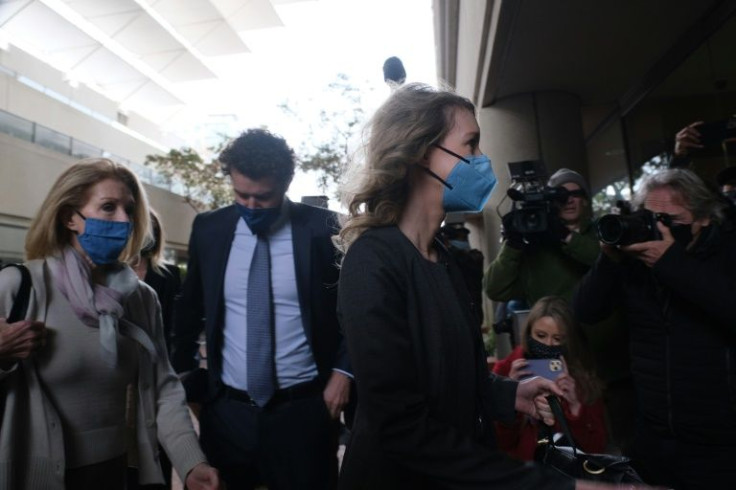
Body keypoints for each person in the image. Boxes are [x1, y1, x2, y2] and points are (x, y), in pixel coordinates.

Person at [335, 82, 633, 490]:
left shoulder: (444, 258)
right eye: (471, 145)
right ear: (421, 153)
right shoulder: (373, 261)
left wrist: (508, 395)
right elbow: (401, 426)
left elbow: (455, 377)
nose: (482, 160)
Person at [0, 158, 219, 490]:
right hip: (35, 474)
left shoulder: (139, 298)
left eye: (129, 210)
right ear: (69, 218)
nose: (124, 220)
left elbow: (162, 387)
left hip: (116, 473)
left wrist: (191, 462)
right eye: (108, 207)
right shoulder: (20, 287)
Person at [171, 128, 351, 490]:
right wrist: (188, 381)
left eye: (263, 197)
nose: (250, 206)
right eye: (241, 195)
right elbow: (188, 312)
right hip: (227, 413)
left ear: (285, 183)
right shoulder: (209, 229)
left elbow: (354, 310)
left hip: (304, 410)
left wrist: (344, 372)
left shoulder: (323, 229)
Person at [573, 168, 736, 488]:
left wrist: (672, 263)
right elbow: (585, 310)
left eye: (668, 219)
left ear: (703, 219)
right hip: (653, 438)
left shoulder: (726, 254)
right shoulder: (634, 263)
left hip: (720, 443)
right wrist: (609, 259)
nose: (656, 228)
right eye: (649, 217)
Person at [484, 167, 635, 455]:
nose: (568, 200)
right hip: (555, 374)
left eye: (574, 193)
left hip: (611, 370)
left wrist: (566, 238)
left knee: (621, 453)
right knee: (565, 451)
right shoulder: (536, 246)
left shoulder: (604, 232)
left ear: (586, 199)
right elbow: (495, 289)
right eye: (560, 195)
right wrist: (514, 244)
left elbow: (614, 263)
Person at [492, 296, 607, 461]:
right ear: (529, 333)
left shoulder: (581, 378)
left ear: (568, 340)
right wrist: (510, 396)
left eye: (558, 338)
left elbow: (596, 450)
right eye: (541, 335)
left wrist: (575, 407)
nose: (548, 344)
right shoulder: (507, 370)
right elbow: (501, 444)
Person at [129, 209, 183, 490]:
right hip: (126, 373)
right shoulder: (113, 274)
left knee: (161, 447)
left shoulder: (168, 274)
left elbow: (174, 320)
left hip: (161, 362)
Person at [437, 222, 484, 327]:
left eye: (464, 238)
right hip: (455, 317)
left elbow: (464, 259)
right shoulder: (446, 260)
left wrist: (448, 247)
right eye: (459, 238)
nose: (463, 242)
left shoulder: (474, 257)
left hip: (472, 315)